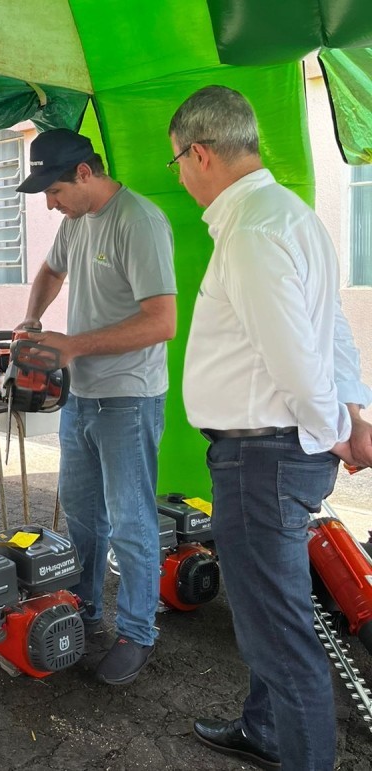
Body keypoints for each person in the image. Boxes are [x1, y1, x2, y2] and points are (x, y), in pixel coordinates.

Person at [168, 85, 372, 771]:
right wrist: (354, 411)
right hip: (279, 450)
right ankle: (266, 730)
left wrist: (333, 426)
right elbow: (331, 327)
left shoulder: (255, 230)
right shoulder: (287, 215)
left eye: (177, 163)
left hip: (266, 457)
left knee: (279, 637)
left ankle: (302, 751)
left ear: (199, 153)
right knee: (267, 614)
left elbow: (294, 350)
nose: (181, 175)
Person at [15, 129, 177, 686]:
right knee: (82, 512)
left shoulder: (140, 222)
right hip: (80, 396)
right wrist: (32, 320)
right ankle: (85, 611)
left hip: (128, 398)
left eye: (55, 191)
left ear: (85, 173)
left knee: (132, 520)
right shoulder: (76, 221)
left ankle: (138, 631)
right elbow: (51, 272)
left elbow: (163, 321)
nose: (50, 204)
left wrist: (73, 345)